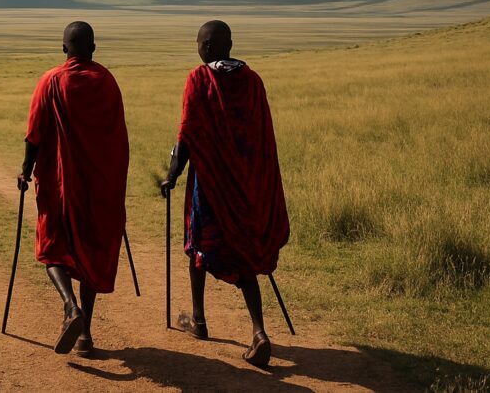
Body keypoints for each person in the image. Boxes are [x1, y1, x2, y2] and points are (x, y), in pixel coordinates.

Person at [160, 20, 289, 368]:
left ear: (210, 46)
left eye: (200, 42)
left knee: (198, 245)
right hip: (247, 188)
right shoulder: (253, 81)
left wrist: (171, 176)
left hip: (210, 186)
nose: (198, 47)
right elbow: (262, 139)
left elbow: (187, 135)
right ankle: (259, 331)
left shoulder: (200, 79)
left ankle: (199, 320)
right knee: (243, 252)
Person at [18, 21, 129, 357]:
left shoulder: (51, 80)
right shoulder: (107, 81)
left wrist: (25, 170)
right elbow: (118, 138)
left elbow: (34, 134)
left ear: (64, 48)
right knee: (91, 253)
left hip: (60, 185)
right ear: (93, 48)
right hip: (100, 188)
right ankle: (86, 337)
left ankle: (70, 307)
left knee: (53, 248)